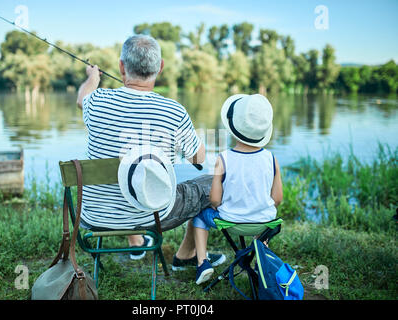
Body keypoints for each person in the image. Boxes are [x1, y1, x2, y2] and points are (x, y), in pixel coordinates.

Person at [76, 34, 225, 268]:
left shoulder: (96, 101)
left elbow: (81, 98)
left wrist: (93, 77)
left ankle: (137, 242)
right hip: (153, 216)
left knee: (127, 174)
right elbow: (198, 157)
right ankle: (185, 255)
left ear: (121, 66)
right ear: (161, 67)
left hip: (95, 216)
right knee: (211, 182)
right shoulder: (173, 111)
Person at [192, 94, 283, 285]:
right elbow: (277, 199)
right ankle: (261, 258)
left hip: (230, 223)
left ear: (233, 129)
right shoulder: (271, 158)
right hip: (264, 225)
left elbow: (215, 200)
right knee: (265, 214)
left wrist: (222, 203)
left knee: (199, 215)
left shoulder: (223, 158)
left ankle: (203, 262)